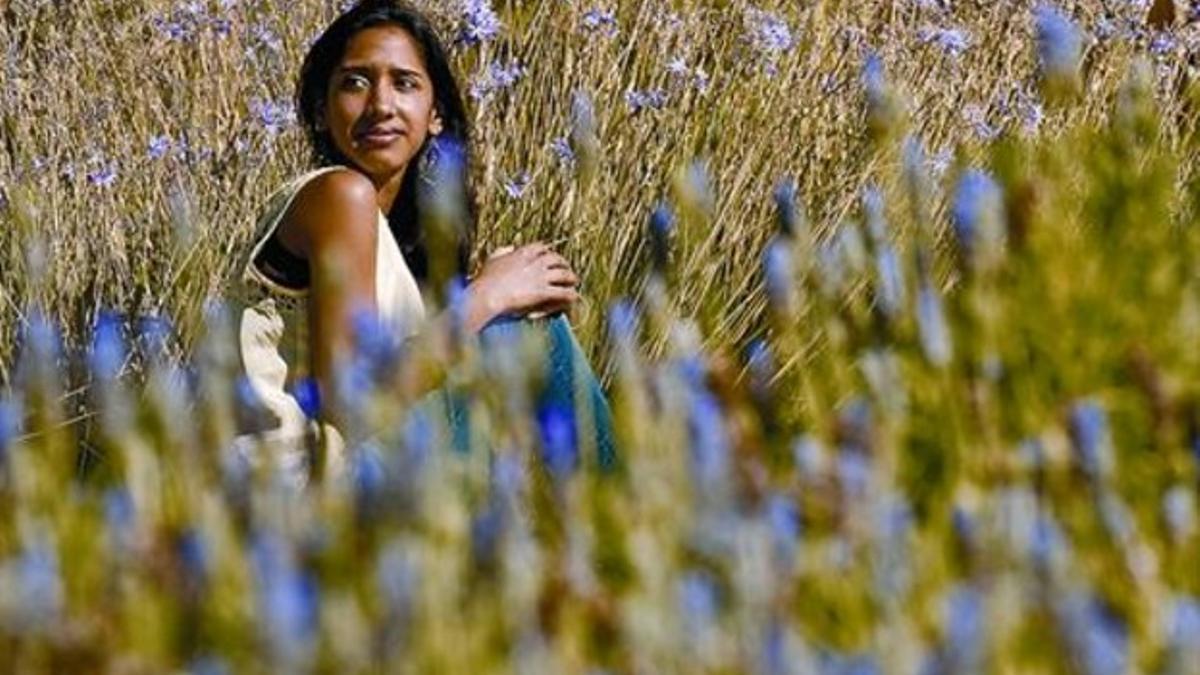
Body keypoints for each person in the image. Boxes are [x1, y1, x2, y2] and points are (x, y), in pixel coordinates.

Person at [229, 0, 614, 484]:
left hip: (353, 481)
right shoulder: (338, 195)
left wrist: (482, 295)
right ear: (322, 112)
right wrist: (489, 297)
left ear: (434, 115)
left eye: (404, 83)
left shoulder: (384, 228)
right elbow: (353, 403)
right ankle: (631, 532)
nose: (381, 105)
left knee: (513, 321)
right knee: (525, 329)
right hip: (301, 509)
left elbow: (400, 366)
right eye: (355, 82)